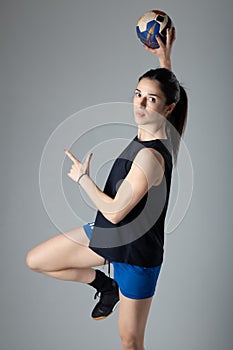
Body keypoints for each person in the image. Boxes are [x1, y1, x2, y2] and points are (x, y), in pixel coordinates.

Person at [26, 28, 188, 350]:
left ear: (167, 109)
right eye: (137, 93)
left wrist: (83, 178)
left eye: (150, 99)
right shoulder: (151, 129)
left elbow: (114, 212)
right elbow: (164, 91)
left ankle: (116, 286)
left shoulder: (151, 157)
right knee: (37, 260)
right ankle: (104, 285)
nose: (140, 103)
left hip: (137, 257)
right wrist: (163, 59)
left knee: (129, 342)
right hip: (108, 237)